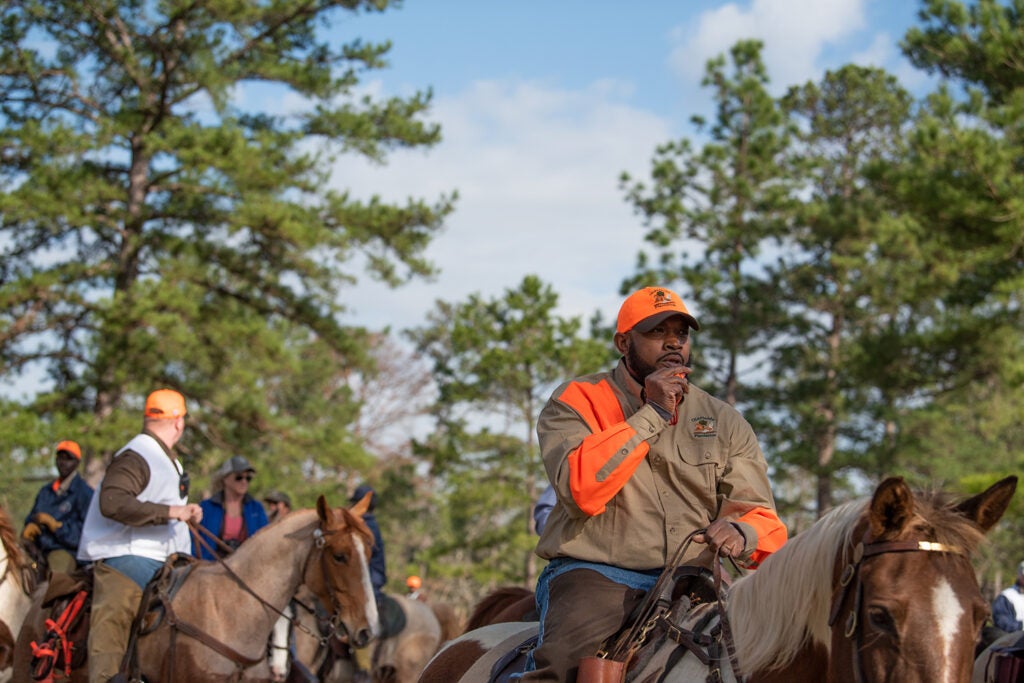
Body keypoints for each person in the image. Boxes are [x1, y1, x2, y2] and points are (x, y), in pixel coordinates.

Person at [523, 285, 788, 682]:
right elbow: (581, 491)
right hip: (597, 575)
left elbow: (762, 517)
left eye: (680, 334)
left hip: (695, 580)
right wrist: (654, 412)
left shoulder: (725, 420)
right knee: (562, 667)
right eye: (655, 333)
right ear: (623, 342)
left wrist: (741, 530)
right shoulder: (577, 400)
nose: (672, 343)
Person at [77, 388, 203, 683]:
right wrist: (172, 512)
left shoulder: (162, 457)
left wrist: (185, 516)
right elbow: (112, 502)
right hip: (126, 562)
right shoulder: (139, 454)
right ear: (178, 423)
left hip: (169, 564)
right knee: (111, 627)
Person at [21, 440, 95, 575]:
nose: (63, 462)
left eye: (69, 459)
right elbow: (33, 516)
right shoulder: (45, 491)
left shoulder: (85, 493)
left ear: (77, 462)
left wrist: (56, 527)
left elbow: (86, 534)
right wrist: (30, 526)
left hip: (65, 551)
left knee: (55, 576)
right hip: (37, 548)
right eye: (60, 458)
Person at [192, 455, 268, 560]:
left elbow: (265, 541)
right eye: (239, 477)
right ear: (225, 479)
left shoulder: (256, 509)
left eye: (248, 478)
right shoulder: (206, 507)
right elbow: (193, 540)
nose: (244, 481)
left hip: (246, 567)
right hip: (210, 567)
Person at [993, 561, 1024, 633]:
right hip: (1016, 641)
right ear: (1020, 575)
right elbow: (1003, 623)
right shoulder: (1007, 596)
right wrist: (1021, 625)